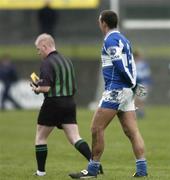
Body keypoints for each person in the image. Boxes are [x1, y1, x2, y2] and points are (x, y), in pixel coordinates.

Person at [69, 10, 148, 179]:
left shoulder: (111, 40)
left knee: (96, 128)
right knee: (132, 131)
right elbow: (131, 65)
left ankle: (92, 170)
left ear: (103, 23)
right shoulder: (124, 40)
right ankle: (142, 170)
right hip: (126, 92)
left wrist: (132, 84)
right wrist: (133, 87)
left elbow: (119, 65)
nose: (99, 24)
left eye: (99, 21)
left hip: (116, 90)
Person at [31, 33, 103, 176]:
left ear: (45, 46)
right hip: (69, 103)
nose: (39, 53)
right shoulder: (66, 60)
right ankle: (94, 163)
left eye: (39, 49)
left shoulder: (47, 62)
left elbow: (45, 88)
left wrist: (36, 88)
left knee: (40, 137)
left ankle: (40, 172)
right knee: (75, 138)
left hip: (53, 103)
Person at [134, 50, 152, 119]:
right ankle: (138, 113)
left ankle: (140, 113)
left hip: (143, 84)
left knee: (140, 99)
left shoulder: (143, 64)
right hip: (136, 84)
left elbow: (146, 75)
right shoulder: (133, 64)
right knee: (137, 100)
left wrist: (148, 84)